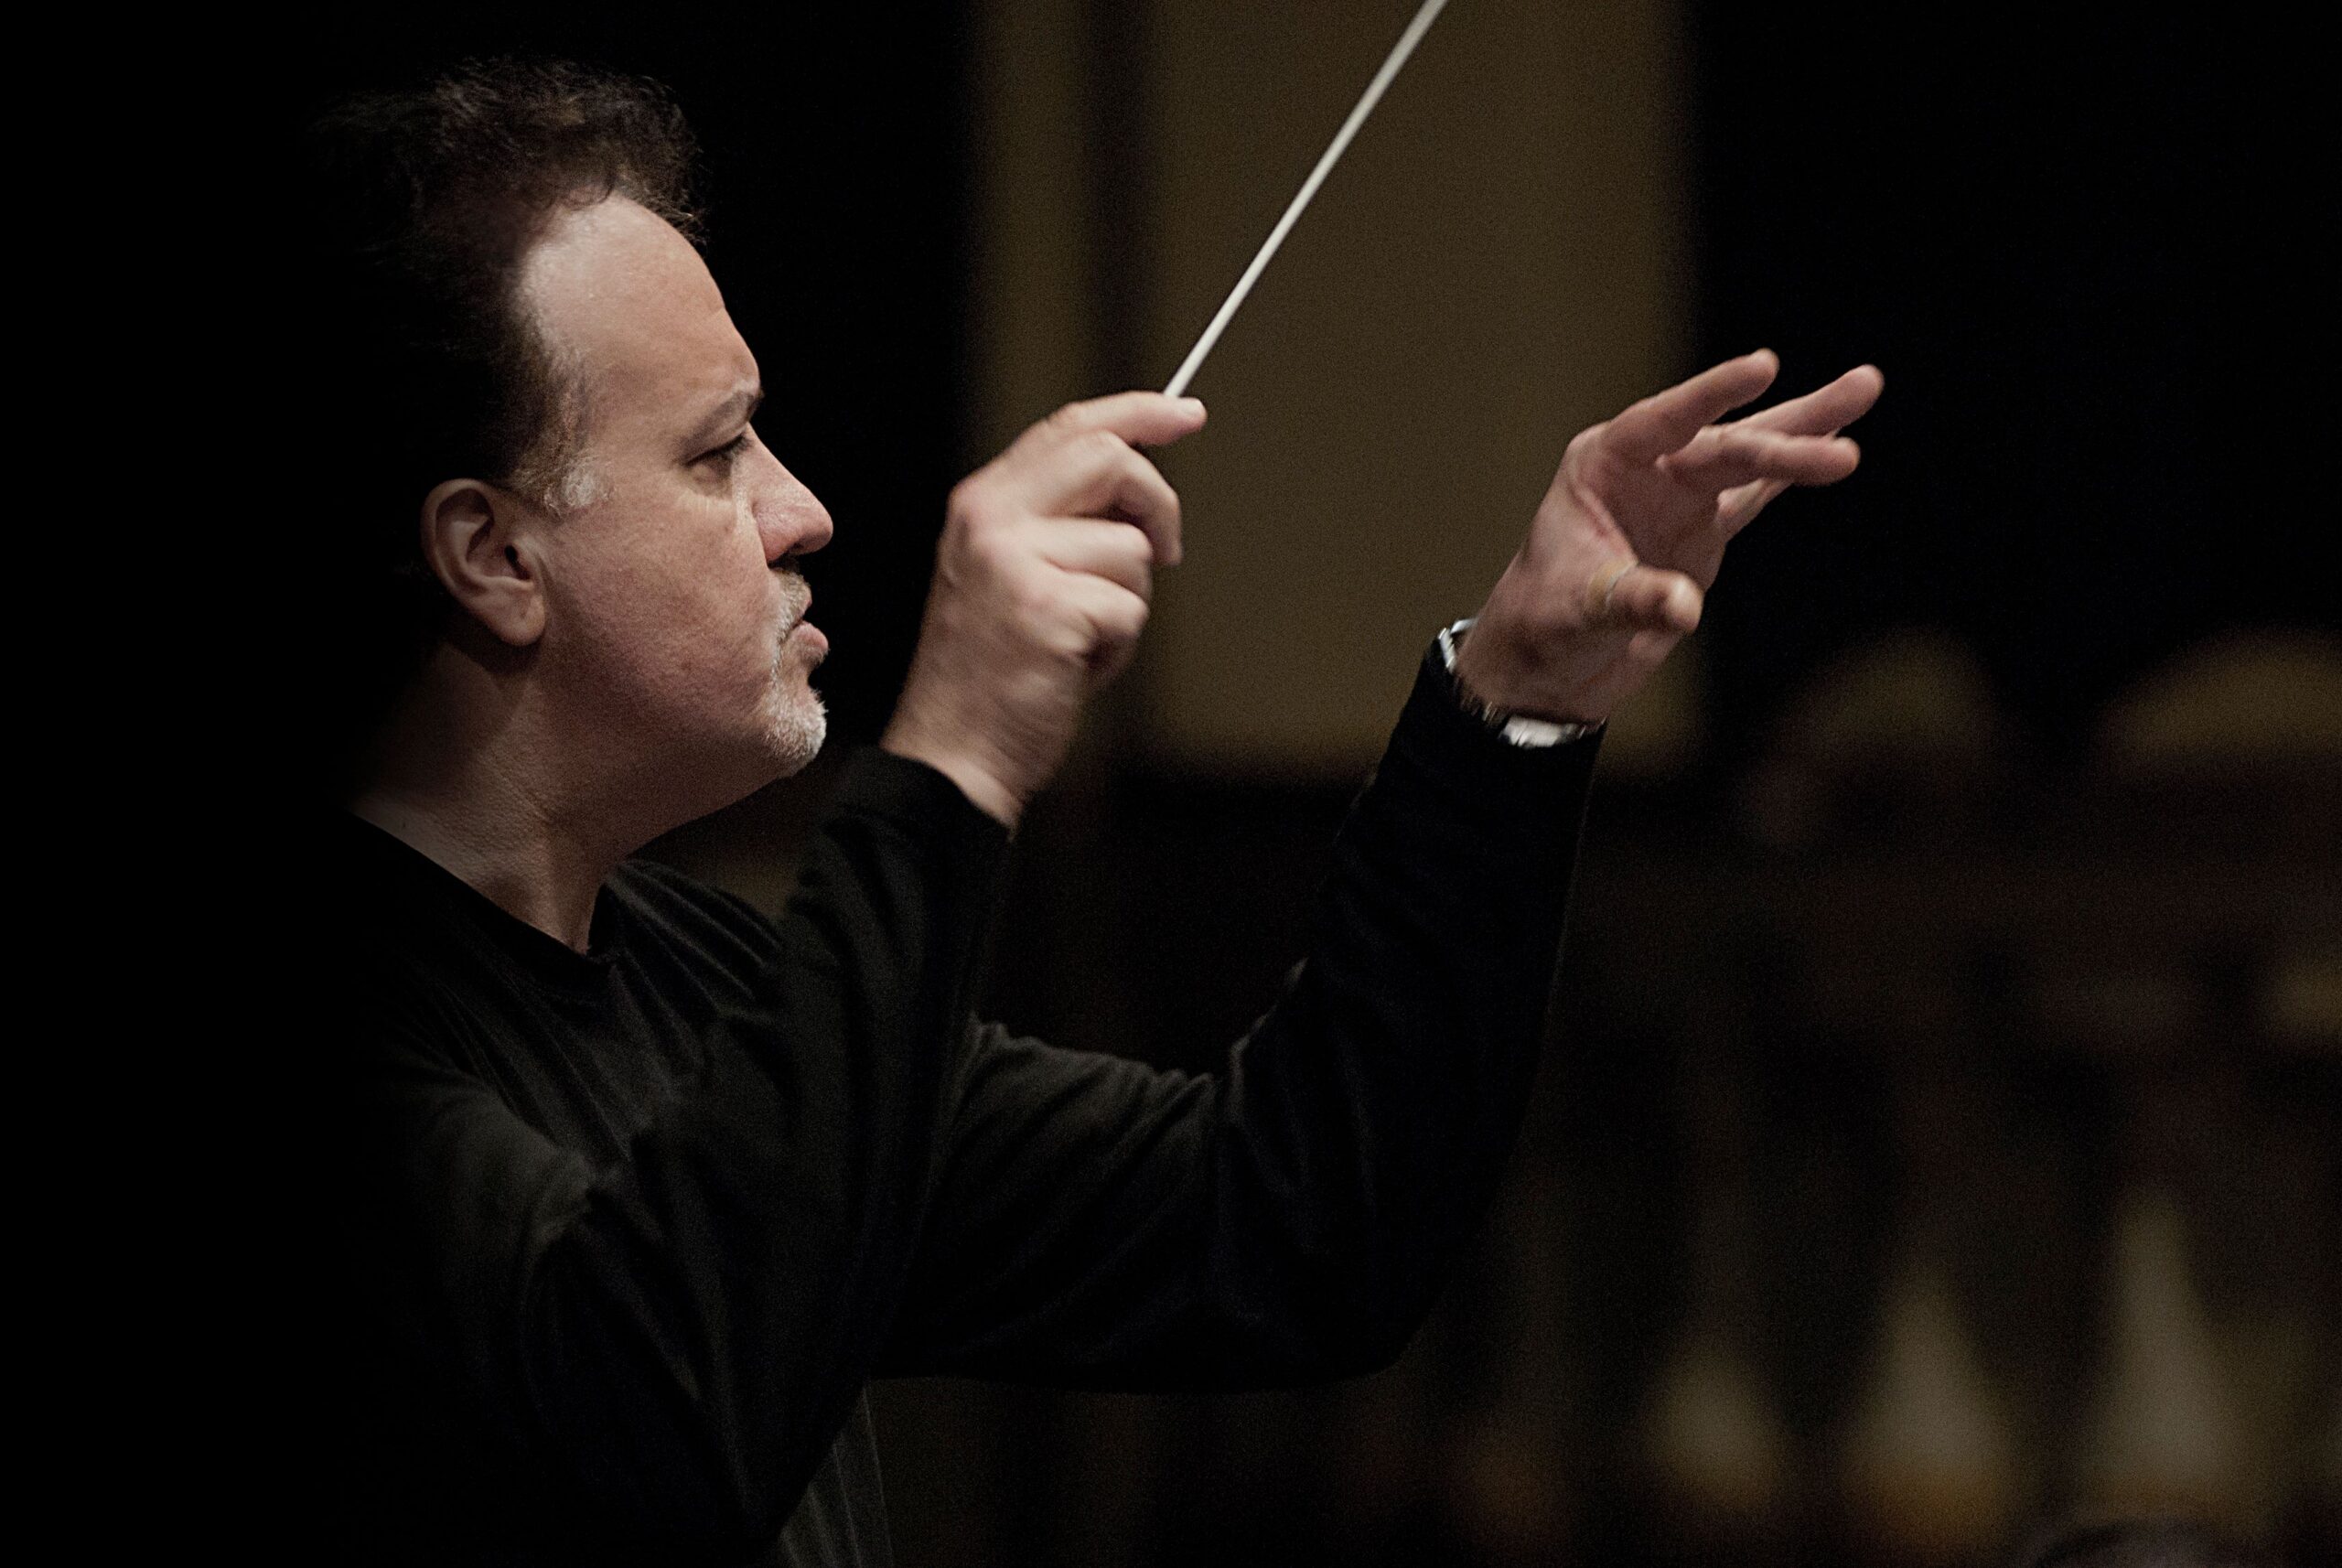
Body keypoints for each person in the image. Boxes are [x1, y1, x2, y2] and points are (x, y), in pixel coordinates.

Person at [305, 59, 1880, 1567]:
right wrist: (952, 755)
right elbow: (660, 1421)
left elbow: (1297, 1227)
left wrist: (1518, 703)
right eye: (718, 456)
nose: (803, 511)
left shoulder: (697, 985)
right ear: (492, 556)